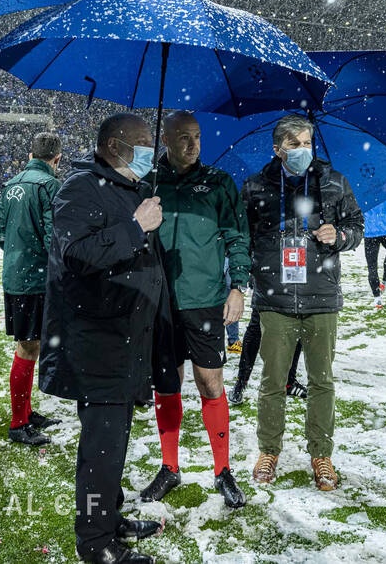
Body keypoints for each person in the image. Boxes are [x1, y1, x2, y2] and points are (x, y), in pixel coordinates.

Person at [40, 113, 177, 564]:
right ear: (115, 146)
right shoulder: (79, 188)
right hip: (97, 341)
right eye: (143, 142)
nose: (151, 150)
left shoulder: (131, 187)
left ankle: (109, 517)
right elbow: (77, 254)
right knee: (102, 448)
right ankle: (96, 542)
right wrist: (135, 227)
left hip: (126, 339)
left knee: (113, 443)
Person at [241, 114, 364, 491]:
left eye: (307, 143)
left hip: (321, 296)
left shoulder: (334, 181)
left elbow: (357, 227)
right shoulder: (255, 186)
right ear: (277, 148)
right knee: (273, 380)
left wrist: (338, 235)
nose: (302, 150)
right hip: (274, 298)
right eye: (293, 144)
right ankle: (269, 450)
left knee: (321, 381)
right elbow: (242, 236)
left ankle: (321, 453)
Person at [140, 111, 249, 509]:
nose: (193, 144)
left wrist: (238, 286)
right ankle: (170, 467)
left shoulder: (218, 182)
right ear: (166, 139)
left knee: (211, 384)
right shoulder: (148, 182)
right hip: (159, 301)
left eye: (197, 136)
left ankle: (223, 470)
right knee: (166, 385)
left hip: (204, 300)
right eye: (184, 137)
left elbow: (238, 237)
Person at [0, 132, 63, 446]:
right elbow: (55, 239)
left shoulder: (10, 184)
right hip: (36, 280)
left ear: (30, 155)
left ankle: (25, 411)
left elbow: (0, 235)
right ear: (57, 159)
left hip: (15, 277)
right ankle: (18, 423)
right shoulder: (50, 185)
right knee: (28, 347)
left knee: (29, 346)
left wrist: (19, 255)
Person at [227, 306, 307, 406]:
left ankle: (289, 382)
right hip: (265, 298)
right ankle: (241, 382)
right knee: (256, 327)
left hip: (294, 298)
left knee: (296, 325)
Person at [363, 199, 386, 309]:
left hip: (370, 233)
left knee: (372, 267)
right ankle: (384, 281)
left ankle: (377, 299)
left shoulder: (362, 195)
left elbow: (357, 213)